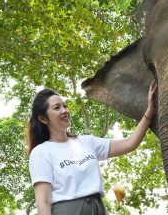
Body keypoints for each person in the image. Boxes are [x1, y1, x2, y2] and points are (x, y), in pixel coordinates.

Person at [26, 80, 158, 215]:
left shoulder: (87, 142)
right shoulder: (41, 152)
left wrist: (149, 111)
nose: (65, 110)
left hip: (98, 208)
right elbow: (43, 201)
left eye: (65, 106)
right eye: (57, 108)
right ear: (43, 119)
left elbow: (130, 143)